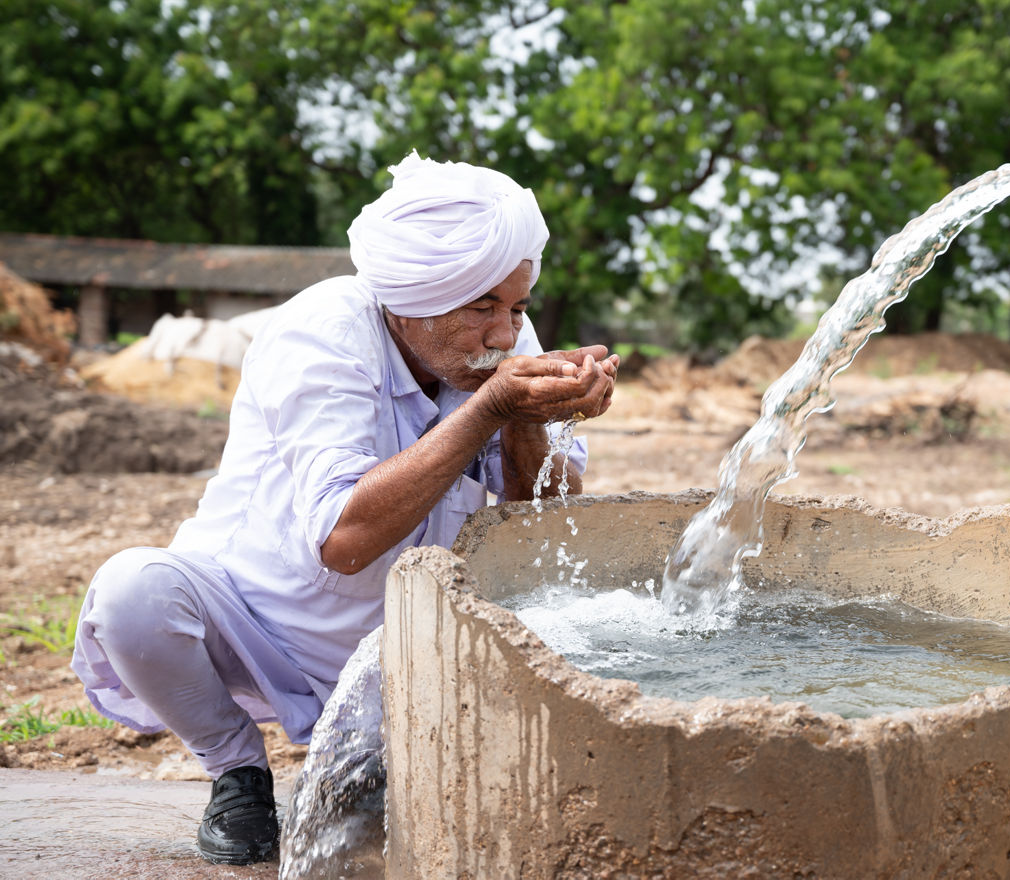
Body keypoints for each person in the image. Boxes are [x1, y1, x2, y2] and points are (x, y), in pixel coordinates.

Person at [70, 152, 619, 865]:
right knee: (131, 594)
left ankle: (360, 763)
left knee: (386, 821)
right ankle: (236, 773)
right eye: (482, 306)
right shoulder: (322, 333)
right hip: (253, 616)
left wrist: (529, 421)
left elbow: (545, 535)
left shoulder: (504, 344)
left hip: (393, 654)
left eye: (515, 307)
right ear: (411, 298)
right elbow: (344, 539)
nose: (505, 334)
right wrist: (492, 406)